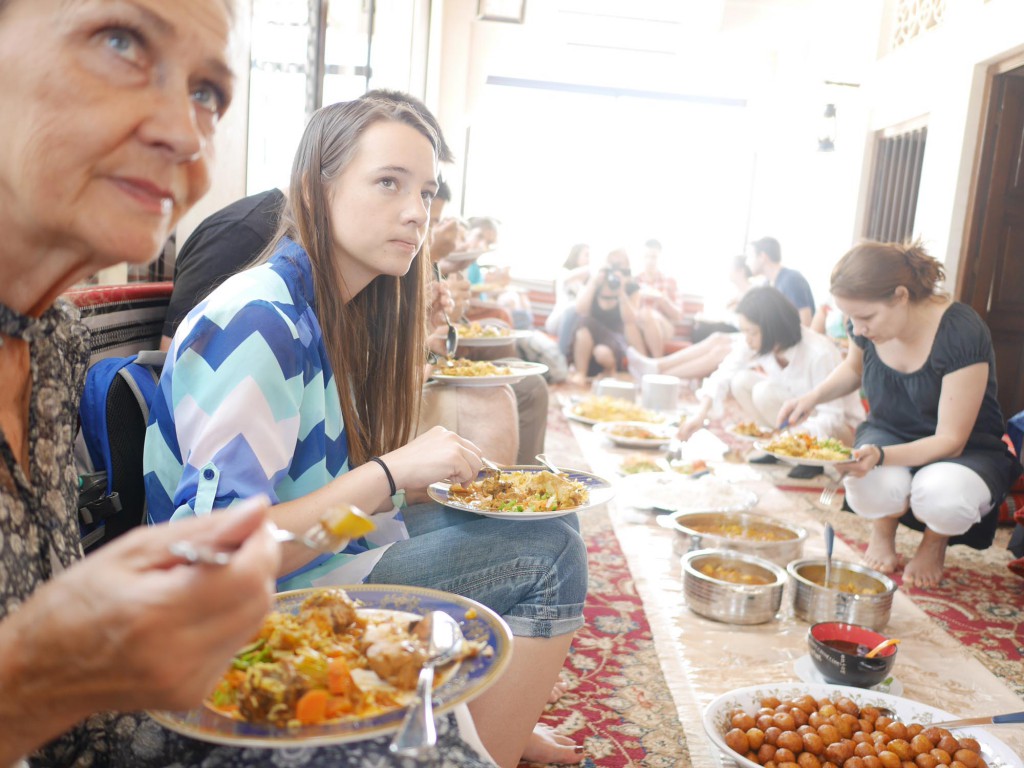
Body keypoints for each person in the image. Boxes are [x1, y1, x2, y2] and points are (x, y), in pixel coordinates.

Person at [145, 96, 587, 767]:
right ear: (312, 190)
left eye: (428, 192)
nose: (417, 211)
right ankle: (480, 747)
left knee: (542, 518)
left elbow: (317, 527)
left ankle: (491, 730)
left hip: (313, 563)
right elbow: (223, 564)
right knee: (548, 551)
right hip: (238, 619)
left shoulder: (322, 312)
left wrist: (394, 499)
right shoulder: (258, 319)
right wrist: (388, 474)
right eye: (389, 183)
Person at [0, 1, 285, 765]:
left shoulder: (50, 335)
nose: (185, 134)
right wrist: (31, 680)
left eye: (207, 93)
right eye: (119, 42)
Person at [779, 241, 1021, 589]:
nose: (857, 330)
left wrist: (878, 456)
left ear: (901, 296)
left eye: (865, 318)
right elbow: (854, 370)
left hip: (963, 448)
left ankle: (934, 541)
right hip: (889, 431)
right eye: (851, 318)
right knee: (866, 485)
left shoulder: (960, 330)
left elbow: (951, 441)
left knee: (942, 495)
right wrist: (812, 397)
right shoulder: (863, 325)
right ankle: (883, 526)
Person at [676, 287, 864, 449]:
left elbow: (832, 417)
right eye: (744, 332)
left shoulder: (818, 352)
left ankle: (793, 450)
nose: (747, 338)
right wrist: (699, 415)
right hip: (799, 418)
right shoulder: (759, 341)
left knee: (764, 391)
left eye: (752, 332)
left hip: (842, 431)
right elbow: (725, 372)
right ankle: (777, 446)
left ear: (773, 328)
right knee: (741, 380)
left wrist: (793, 438)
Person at [566, 249, 643, 382]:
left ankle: (610, 371)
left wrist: (621, 292)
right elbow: (580, 309)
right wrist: (594, 283)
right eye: (612, 263)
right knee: (584, 323)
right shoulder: (596, 282)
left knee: (601, 352)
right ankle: (581, 373)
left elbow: (631, 320)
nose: (615, 268)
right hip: (588, 338)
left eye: (620, 264)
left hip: (614, 340)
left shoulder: (631, 287)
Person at [747, 236, 815, 326]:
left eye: (751, 257)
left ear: (762, 257)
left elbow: (806, 322)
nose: (748, 262)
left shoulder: (791, 279)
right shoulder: (766, 285)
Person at [633, 238, 682, 356]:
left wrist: (661, 299)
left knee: (647, 313)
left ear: (660, 257)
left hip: (665, 327)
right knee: (641, 316)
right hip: (638, 326)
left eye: (654, 257)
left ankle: (657, 361)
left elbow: (678, 316)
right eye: (647, 256)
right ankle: (650, 364)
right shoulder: (634, 282)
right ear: (641, 257)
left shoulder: (670, 282)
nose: (650, 261)